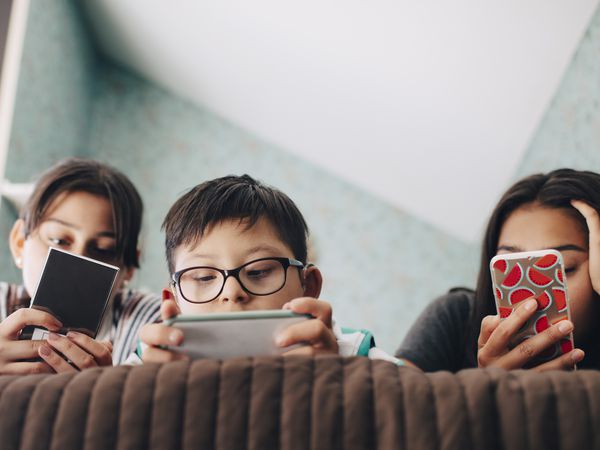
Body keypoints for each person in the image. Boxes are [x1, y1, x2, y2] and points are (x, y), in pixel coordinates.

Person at [139, 174, 402, 364]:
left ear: (308, 286)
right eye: (204, 276)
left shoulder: (356, 355)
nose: (232, 292)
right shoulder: (148, 362)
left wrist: (340, 380)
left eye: (259, 272)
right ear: (172, 300)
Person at [396, 168, 600, 371]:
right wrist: (490, 391)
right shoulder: (455, 317)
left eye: (562, 268)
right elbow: (389, 396)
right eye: (509, 268)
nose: (532, 300)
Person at [0, 158, 160, 374]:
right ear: (20, 243)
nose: (76, 261)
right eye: (58, 240)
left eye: (104, 250)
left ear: (128, 269)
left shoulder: (151, 325)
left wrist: (101, 393)